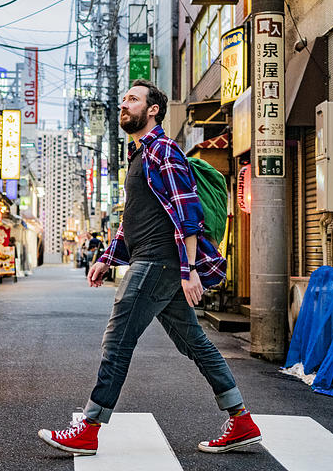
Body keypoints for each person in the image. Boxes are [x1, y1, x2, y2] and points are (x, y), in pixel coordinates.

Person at [38, 79, 261, 456]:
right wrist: (107, 257)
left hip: (157, 263)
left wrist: (189, 270)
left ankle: (89, 428)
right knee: (195, 343)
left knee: (117, 340)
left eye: (133, 99)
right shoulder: (140, 155)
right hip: (156, 262)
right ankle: (240, 419)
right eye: (123, 98)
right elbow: (135, 218)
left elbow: (189, 215)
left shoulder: (164, 151)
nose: (124, 104)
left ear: (153, 109)